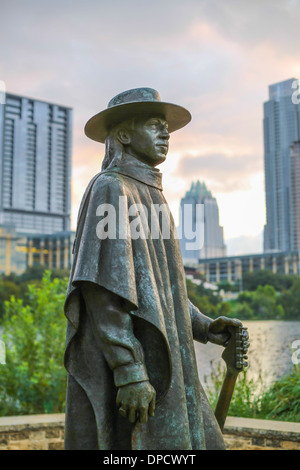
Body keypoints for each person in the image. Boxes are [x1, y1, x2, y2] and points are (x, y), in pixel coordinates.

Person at [64, 87, 243, 450]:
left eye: (167, 127)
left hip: (171, 369)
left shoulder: (154, 195)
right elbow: (100, 289)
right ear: (125, 135)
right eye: (154, 125)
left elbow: (165, 291)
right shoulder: (111, 188)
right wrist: (128, 370)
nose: (166, 134)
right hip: (138, 371)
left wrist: (207, 327)